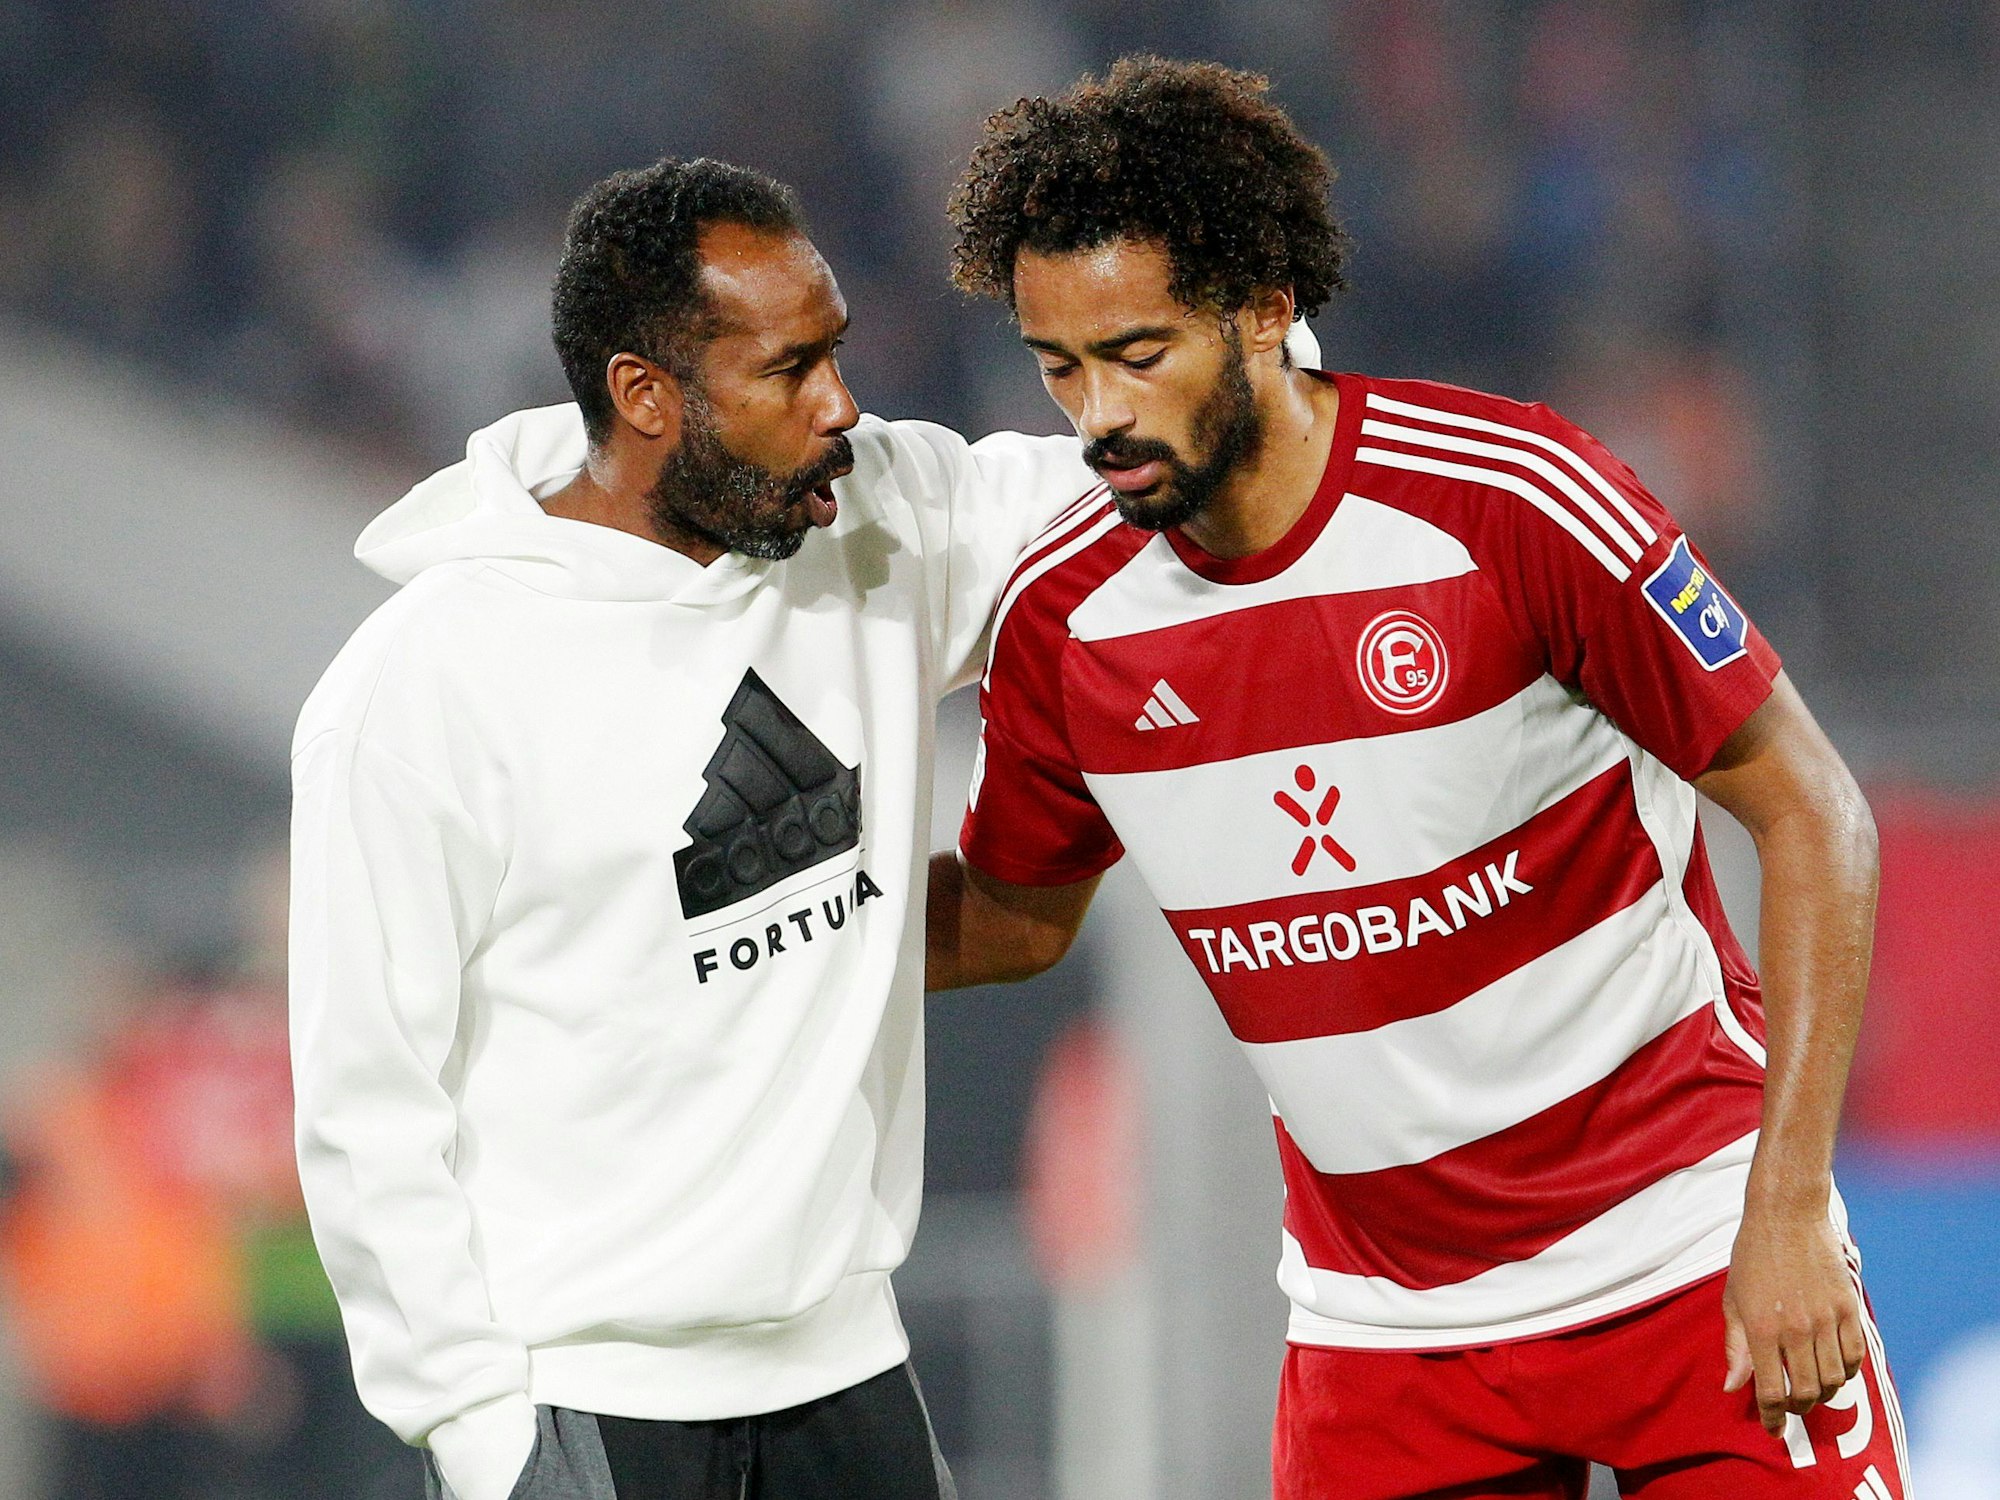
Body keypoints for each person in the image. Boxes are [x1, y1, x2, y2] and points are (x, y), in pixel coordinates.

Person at [927, 56, 1908, 1500]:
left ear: (1262, 307)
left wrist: (1792, 1202)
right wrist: (735, 936)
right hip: (1384, 1337)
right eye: (1058, 367)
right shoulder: (1070, 616)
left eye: (1139, 354)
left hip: (1690, 1255)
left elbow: (1814, 809)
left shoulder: (1509, 502)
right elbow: (1014, 918)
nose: (1099, 417)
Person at [288, 156, 1104, 1500]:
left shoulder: (873, 518)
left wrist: (1264, 350)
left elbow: (1133, 488)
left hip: (853, 1383)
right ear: (645, 395)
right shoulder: (424, 690)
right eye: (789, 370)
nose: (841, 405)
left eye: (836, 353)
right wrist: (485, 1440)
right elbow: (368, 1106)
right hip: (591, 1409)